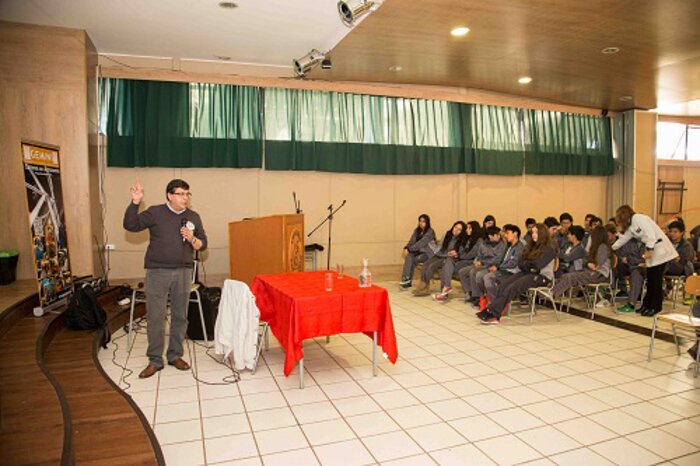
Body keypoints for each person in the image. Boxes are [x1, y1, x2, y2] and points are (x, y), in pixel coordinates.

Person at [124, 179, 208, 378]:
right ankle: (155, 360)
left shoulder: (193, 216)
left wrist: (192, 238)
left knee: (180, 315)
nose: (185, 198)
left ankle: (174, 355)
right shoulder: (155, 212)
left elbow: (202, 245)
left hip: (183, 272)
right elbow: (131, 225)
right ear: (170, 195)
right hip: (157, 271)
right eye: (181, 194)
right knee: (155, 317)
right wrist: (135, 203)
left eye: (187, 194)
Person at [477, 223, 556, 324]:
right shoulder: (531, 246)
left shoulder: (549, 248)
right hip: (528, 273)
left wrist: (529, 264)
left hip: (543, 277)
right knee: (504, 285)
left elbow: (537, 266)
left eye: (536, 232)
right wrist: (529, 265)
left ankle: (494, 313)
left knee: (512, 287)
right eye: (532, 232)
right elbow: (521, 262)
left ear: (542, 233)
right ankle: (492, 310)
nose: (533, 235)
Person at [612, 205, 677, 317]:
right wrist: (611, 248)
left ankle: (656, 307)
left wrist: (649, 250)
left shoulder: (638, 218)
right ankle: (646, 305)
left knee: (656, 281)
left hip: (660, 251)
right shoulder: (631, 226)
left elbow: (650, 235)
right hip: (652, 254)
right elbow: (623, 239)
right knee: (651, 280)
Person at [550, 225, 613, 300]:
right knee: (565, 276)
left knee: (570, 277)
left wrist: (588, 263)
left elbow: (596, 266)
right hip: (592, 272)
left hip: (599, 275)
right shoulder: (596, 247)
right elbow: (588, 261)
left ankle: (552, 294)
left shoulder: (603, 247)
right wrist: (588, 263)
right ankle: (552, 292)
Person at [413, 221, 467, 296]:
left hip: (448, 258)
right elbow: (440, 247)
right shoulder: (447, 234)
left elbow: (459, 252)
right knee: (426, 264)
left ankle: (424, 287)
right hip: (441, 254)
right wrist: (438, 253)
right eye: (455, 227)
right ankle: (424, 285)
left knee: (432, 266)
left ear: (462, 231)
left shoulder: (462, 239)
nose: (456, 230)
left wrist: (450, 254)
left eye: (459, 229)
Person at [456, 226, 505, 305]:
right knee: (462, 272)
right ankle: (470, 292)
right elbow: (478, 255)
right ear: (490, 236)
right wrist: (477, 261)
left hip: (491, 266)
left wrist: (481, 262)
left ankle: (478, 296)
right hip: (481, 264)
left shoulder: (502, 245)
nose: (499, 236)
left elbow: (497, 259)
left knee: (474, 272)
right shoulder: (483, 244)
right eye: (497, 235)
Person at [607, 223, 646, 313]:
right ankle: (608, 293)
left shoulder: (649, 241)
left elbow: (646, 258)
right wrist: (635, 260)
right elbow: (622, 257)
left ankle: (631, 303)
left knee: (636, 272)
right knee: (613, 267)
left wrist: (631, 259)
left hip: (645, 268)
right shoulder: (628, 240)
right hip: (629, 266)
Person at [400, 214, 436, 289]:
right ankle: (406, 279)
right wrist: (406, 248)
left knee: (413, 259)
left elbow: (421, 243)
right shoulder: (417, 231)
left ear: (427, 222)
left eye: (423, 221)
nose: (421, 223)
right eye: (420, 221)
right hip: (419, 251)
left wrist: (409, 249)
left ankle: (407, 280)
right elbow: (412, 242)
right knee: (409, 256)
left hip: (428, 253)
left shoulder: (430, 232)